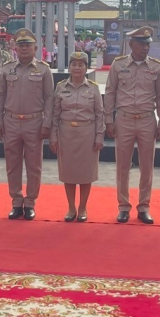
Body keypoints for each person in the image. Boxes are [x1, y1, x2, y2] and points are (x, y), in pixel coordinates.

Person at [105, 27, 160, 224]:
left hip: (147, 119)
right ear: (131, 45)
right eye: (141, 44)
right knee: (123, 165)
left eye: (147, 44)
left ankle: (144, 206)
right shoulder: (118, 65)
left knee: (147, 166)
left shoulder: (155, 67)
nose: (145, 47)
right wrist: (109, 120)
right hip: (124, 119)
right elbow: (110, 93)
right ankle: (123, 206)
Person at [0, 29, 54, 220]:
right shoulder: (7, 68)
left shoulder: (44, 70)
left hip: (34, 122)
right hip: (11, 121)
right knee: (12, 164)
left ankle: (30, 202)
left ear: (36, 48)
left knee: (34, 165)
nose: (24, 49)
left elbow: (49, 98)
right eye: (21, 45)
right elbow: (1, 96)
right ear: (15, 48)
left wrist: (47, 123)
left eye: (28, 45)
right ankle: (16, 201)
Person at [50, 51, 104, 222]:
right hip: (66, 134)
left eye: (81, 65)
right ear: (70, 67)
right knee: (69, 172)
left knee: (86, 173)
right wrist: (53, 136)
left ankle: (83, 207)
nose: (77, 68)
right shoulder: (60, 87)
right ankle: (71, 207)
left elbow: (99, 114)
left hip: (87, 134)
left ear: (86, 68)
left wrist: (99, 136)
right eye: (74, 64)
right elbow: (55, 114)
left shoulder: (93, 88)